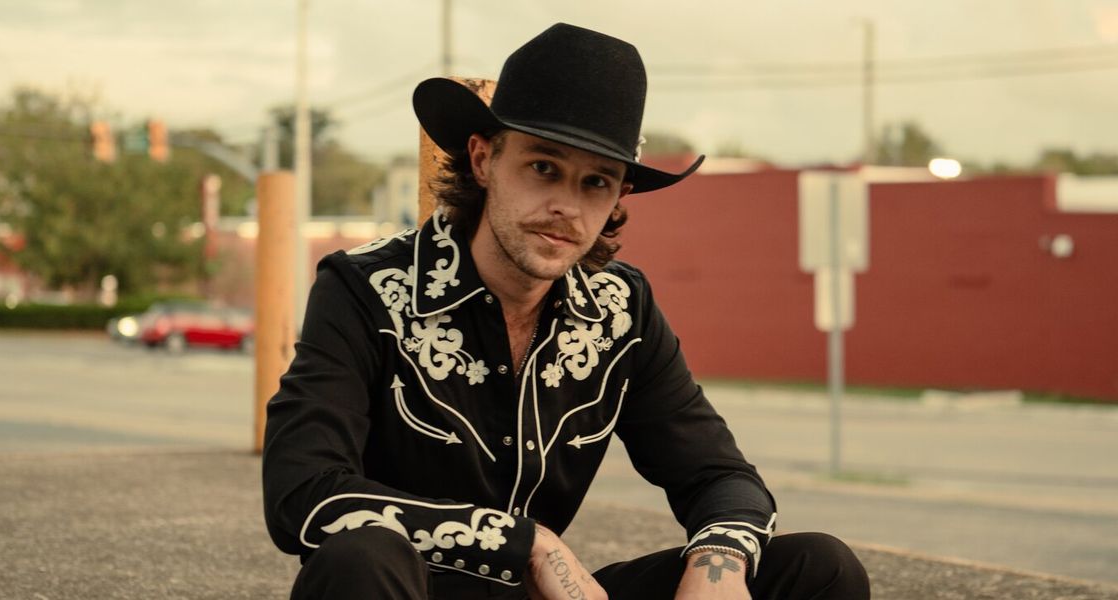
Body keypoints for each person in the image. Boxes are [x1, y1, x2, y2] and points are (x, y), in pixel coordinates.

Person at [262, 22, 870, 600]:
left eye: (595, 182)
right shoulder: (367, 289)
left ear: (619, 196)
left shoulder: (620, 310)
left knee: (818, 568)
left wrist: (719, 564)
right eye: (543, 168)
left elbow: (720, 477)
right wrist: (525, 544)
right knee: (363, 556)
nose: (566, 208)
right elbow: (302, 493)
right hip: (403, 588)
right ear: (483, 159)